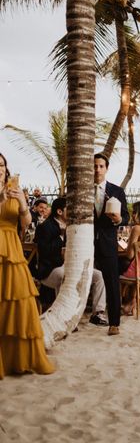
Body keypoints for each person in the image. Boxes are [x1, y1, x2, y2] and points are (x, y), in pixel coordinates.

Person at [0, 152, 55, 378]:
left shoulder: (15, 191)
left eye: (2, 164)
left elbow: (26, 223)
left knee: (19, 302)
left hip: (12, 249)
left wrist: (23, 204)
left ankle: (16, 359)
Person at [35, 197, 108, 325]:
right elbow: (44, 251)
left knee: (99, 276)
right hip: (51, 269)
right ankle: (64, 316)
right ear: (59, 212)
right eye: (69, 208)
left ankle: (98, 313)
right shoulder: (45, 227)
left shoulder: (74, 225)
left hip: (74, 265)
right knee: (64, 276)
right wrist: (61, 237)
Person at [93, 153, 129, 336]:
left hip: (107, 242)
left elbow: (127, 218)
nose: (97, 169)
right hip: (86, 241)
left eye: (100, 166)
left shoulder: (116, 191)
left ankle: (114, 322)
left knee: (112, 282)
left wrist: (119, 219)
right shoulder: (82, 190)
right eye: (94, 166)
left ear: (106, 168)